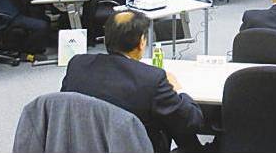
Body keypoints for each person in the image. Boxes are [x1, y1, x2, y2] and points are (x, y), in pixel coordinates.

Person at [61, 11, 204, 152]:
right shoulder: (152, 79)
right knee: (177, 124)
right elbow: (192, 121)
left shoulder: (77, 64)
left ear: (105, 40)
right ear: (142, 42)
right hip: (136, 147)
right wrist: (178, 88)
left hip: (84, 146)